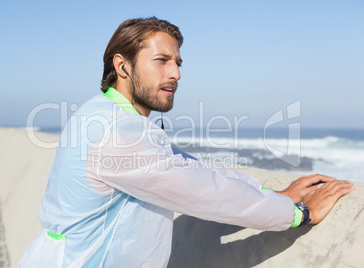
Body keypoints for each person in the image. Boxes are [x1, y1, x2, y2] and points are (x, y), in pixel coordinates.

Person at [19, 17, 354, 267]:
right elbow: (202, 190)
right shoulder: (117, 133)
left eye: (177, 62)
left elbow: (188, 168)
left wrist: (272, 194)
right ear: (122, 65)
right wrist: (299, 214)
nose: (176, 73)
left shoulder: (103, 113)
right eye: (161, 60)